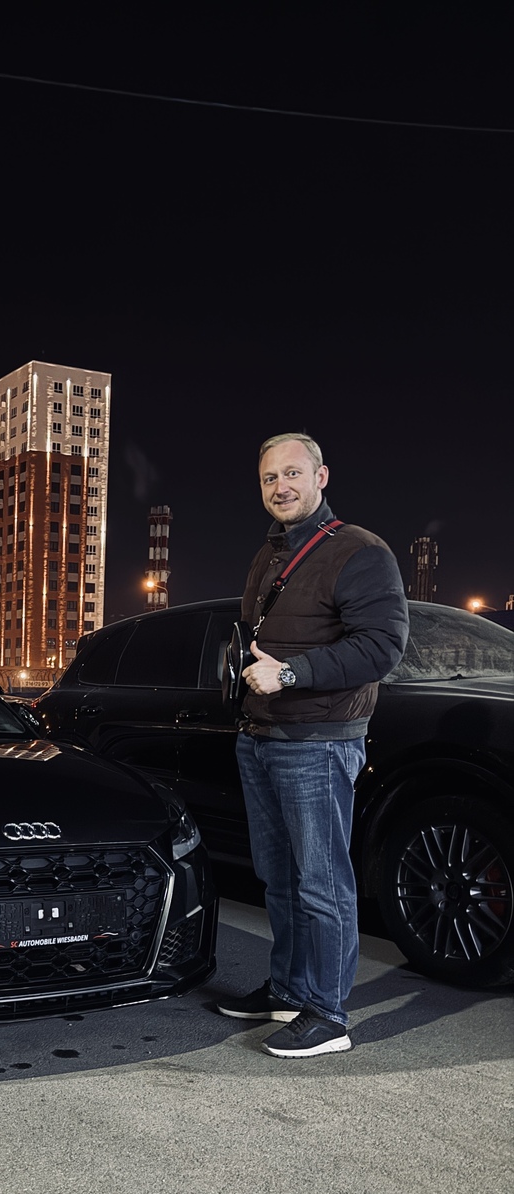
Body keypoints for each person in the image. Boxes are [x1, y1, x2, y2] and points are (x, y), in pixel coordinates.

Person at [219, 433, 408, 1057]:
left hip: (318, 742)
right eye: (269, 478)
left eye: (293, 473)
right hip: (261, 735)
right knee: (278, 878)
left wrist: (292, 674)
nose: (281, 487)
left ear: (321, 476)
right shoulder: (268, 554)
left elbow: (381, 647)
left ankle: (328, 1015)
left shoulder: (360, 550)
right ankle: (289, 989)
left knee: (321, 883)